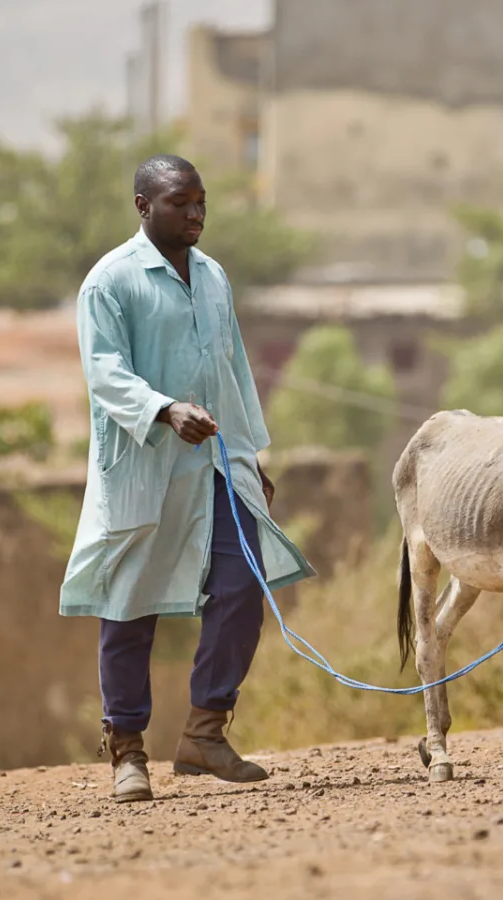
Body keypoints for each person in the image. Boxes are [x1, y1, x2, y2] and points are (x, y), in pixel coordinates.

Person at [61, 153, 317, 804]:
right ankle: (126, 751)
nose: (196, 212)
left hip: (216, 462)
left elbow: (230, 371)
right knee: (130, 606)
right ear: (144, 206)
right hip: (145, 464)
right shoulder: (110, 282)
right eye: (181, 202)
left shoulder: (213, 278)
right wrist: (165, 410)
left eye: (202, 200)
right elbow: (105, 373)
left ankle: (206, 731)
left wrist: (252, 456)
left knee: (242, 589)